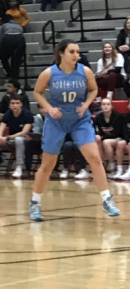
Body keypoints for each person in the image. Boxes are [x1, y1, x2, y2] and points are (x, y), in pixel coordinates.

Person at [29, 39, 120, 221]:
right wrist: (49, 108)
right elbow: (37, 93)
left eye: (78, 52)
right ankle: (35, 202)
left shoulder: (85, 71)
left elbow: (93, 90)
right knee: (48, 164)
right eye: (72, 51)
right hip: (57, 121)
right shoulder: (49, 73)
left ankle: (107, 199)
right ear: (62, 53)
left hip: (80, 119)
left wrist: (86, 104)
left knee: (94, 158)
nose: (76, 55)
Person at [0, 95, 33, 179]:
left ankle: (19, 167)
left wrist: (7, 137)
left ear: (21, 104)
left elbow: (24, 132)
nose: (15, 105)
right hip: (10, 140)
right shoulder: (8, 113)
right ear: (10, 105)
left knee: (18, 139)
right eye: (13, 103)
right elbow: (1, 128)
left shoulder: (27, 114)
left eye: (17, 103)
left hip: (25, 140)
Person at [94, 98, 126, 178]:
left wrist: (102, 136)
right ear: (101, 107)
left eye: (108, 104)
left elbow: (117, 133)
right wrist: (97, 134)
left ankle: (113, 168)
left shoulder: (118, 116)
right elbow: (95, 128)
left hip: (119, 138)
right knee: (98, 141)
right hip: (106, 139)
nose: (105, 106)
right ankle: (101, 167)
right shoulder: (98, 117)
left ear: (112, 106)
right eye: (103, 104)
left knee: (106, 142)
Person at [0, 15, 26, 84]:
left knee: (3, 58)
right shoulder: (19, 26)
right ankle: (15, 77)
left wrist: (0, 47)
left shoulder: (3, 26)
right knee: (16, 60)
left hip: (7, 37)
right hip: (19, 38)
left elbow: (0, 38)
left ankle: (9, 73)